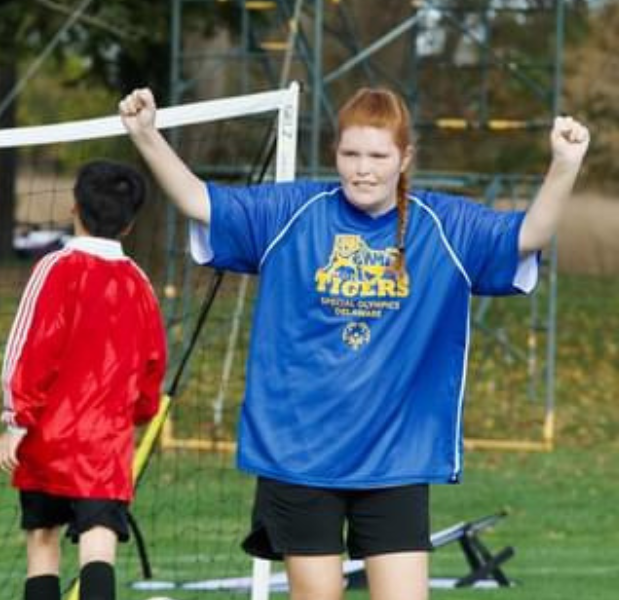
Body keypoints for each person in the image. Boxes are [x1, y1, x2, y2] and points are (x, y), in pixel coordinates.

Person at [118, 87, 589, 600]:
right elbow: (197, 200)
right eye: (351, 154)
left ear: (404, 157)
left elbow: (528, 236)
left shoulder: (444, 225)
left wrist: (564, 165)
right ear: (335, 154)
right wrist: (146, 135)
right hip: (299, 457)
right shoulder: (292, 212)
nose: (363, 169)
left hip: (394, 458)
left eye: (378, 156)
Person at [0, 160, 168, 600]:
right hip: (105, 444)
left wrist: (16, 421)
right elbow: (153, 363)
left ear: (74, 207)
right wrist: (139, 412)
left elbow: (28, 349)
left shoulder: (55, 268)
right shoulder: (139, 283)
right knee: (99, 543)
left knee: (43, 542)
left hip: (49, 439)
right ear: (128, 225)